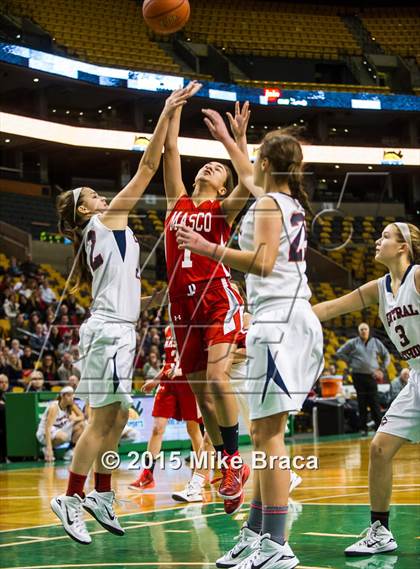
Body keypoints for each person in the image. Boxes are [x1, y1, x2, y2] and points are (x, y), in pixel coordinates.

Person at [49, 84, 199, 545]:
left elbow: (128, 292)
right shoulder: (105, 221)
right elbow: (149, 166)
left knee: (116, 419)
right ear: (84, 210)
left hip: (118, 327)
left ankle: (99, 493)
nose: (101, 196)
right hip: (110, 332)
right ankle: (71, 497)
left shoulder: (111, 235)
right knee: (102, 421)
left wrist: (158, 300)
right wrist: (167, 111)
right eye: (92, 194)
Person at [176, 119, 323, 568]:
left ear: (266, 163)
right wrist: (231, 140)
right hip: (287, 320)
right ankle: (257, 533)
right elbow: (249, 174)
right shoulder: (283, 200)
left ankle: (277, 543)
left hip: (278, 320)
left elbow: (260, 263)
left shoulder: (268, 206)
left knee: (269, 437)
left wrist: (206, 246)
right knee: (261, 435)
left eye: (254, 155)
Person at [164, 95, 257, 514]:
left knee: (218, 381)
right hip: (182, 310)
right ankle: (226, 465)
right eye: (207, 164)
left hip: (218, 299)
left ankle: (234, 463)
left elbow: (249, 177)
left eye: (216, 168)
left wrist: (235, 141)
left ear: (222, 185)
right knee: (203, 399)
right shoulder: (177, 202)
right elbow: (170, 149)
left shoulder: (223, 209)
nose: (209, 168)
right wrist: (173, 108)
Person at [312, 222, 419, 556]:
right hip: (416, 375)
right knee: (378, 449)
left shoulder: (418, 277)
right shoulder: (380, 287)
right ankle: (380, 531)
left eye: (386, 236)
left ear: (403, 247)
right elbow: (331, 308)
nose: (378, 239)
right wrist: (284, 319)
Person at [129, 326, 205, 498]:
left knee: (193, 430)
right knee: (157, 428)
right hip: (168, 383)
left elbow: (200, 357)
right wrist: (155, 381)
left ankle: (200, 475)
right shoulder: (169, 329)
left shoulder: (194, 326)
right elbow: (169, 361)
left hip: (188, 381)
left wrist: (180, 370)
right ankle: (147, 475)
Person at [336, 322, 390, 434]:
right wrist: (350, 362)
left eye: (365, 329)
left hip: (372, 376)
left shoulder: (376, 342)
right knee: (362, 403)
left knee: (374, 402)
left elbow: (386, 355)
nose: (364, 331)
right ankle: (363, 429)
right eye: (361, 329)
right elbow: (339, 352)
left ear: (369, 330)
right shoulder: (353, 342)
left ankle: (379, 429)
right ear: (358, 331)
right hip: (358, 376)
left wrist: (381, 369)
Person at [36, 386, 85, 461]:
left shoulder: (71, 405)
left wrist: (75, 418)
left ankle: (70, 450)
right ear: (63, 396)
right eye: (69, 395)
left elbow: (82, 416)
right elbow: (47, 428)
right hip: (44, 433)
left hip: (60, 429)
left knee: (82, 425)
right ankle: (47, 448)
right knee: (63, 436)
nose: (72, 397)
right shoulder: (54, 407)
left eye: (73, 395)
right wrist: (49, 448)